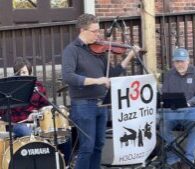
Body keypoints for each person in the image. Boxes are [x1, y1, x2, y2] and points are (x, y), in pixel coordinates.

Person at [61, 13, 140, 169]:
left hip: (101, 104)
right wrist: (97, 81)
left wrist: (129, 56)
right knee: (87, 147)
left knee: (99, 145)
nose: (98, 35)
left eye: (99, 31)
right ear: (82, 30)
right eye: (95, 31)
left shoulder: (99, 52)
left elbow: (112, 74)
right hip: (83, 105)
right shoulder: (72, 50)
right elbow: (68, 76)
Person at [161, 48, 195, 169]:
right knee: (163, 125)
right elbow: (164, 94)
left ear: (188, 61)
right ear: (173, 62)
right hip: (173, 111)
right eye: (177, 62)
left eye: (182, 61)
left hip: (191, 110)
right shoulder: (169, 74)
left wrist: (189, 103)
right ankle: (174, 158)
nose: (180, 64)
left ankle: (188, 159)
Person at [0, 57, 49, 137]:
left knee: (62, 136)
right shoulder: (11, 88)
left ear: (29, 72)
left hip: (37, 122)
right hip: (17, 125)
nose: (21, 75)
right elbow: (2, 108)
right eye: (19, 73)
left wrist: (37, 113)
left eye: (24, 72)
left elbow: (45, 106)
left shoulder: (38, 87)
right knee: (25, 131)